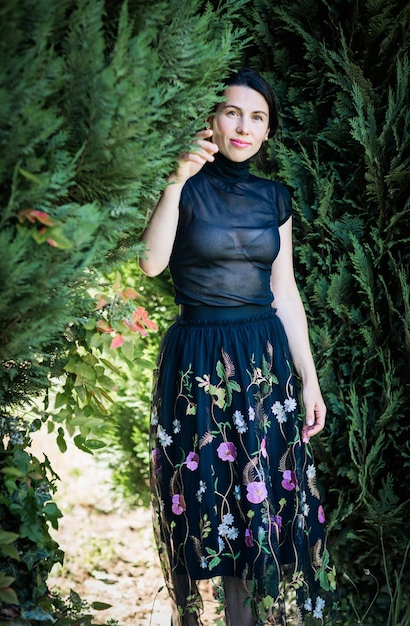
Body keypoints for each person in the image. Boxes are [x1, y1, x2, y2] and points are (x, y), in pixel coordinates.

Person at [140, 69, 335, 626]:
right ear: (212, 119)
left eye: (257, 118)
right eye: (232, 112)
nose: (243, 127)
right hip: (197, 360)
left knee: (257, 510)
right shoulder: (182, 184)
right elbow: (151, 263)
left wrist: (310, 378)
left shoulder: (276, 198)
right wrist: (176, 180)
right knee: (206, 503)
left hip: (263, 362)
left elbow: (285, 291)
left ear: (268, 131)